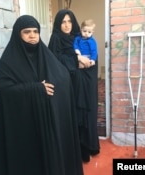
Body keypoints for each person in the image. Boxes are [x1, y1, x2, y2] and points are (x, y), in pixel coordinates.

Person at [0, 15, 84, 175]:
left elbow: (63, 78)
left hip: (51, 124)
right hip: (27, 129)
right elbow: (3, 90)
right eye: (27, 32)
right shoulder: (8, 63)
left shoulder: (47, 56)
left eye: (36, 31)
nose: (32, 35)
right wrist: (35, 89)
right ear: (18, 34)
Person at [48, 9, 100, 163]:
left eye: (69, 21)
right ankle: (75, 151)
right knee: (74, 117)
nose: (67, 25)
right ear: (58, 23)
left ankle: (87, 147)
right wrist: (76, 61)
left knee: (86, 114)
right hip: (69, 87)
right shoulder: (56, 39)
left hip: (84, 83)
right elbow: (54, 60)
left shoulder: (79, 35)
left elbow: (92, 53)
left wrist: (89, 62)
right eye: (63, 21)